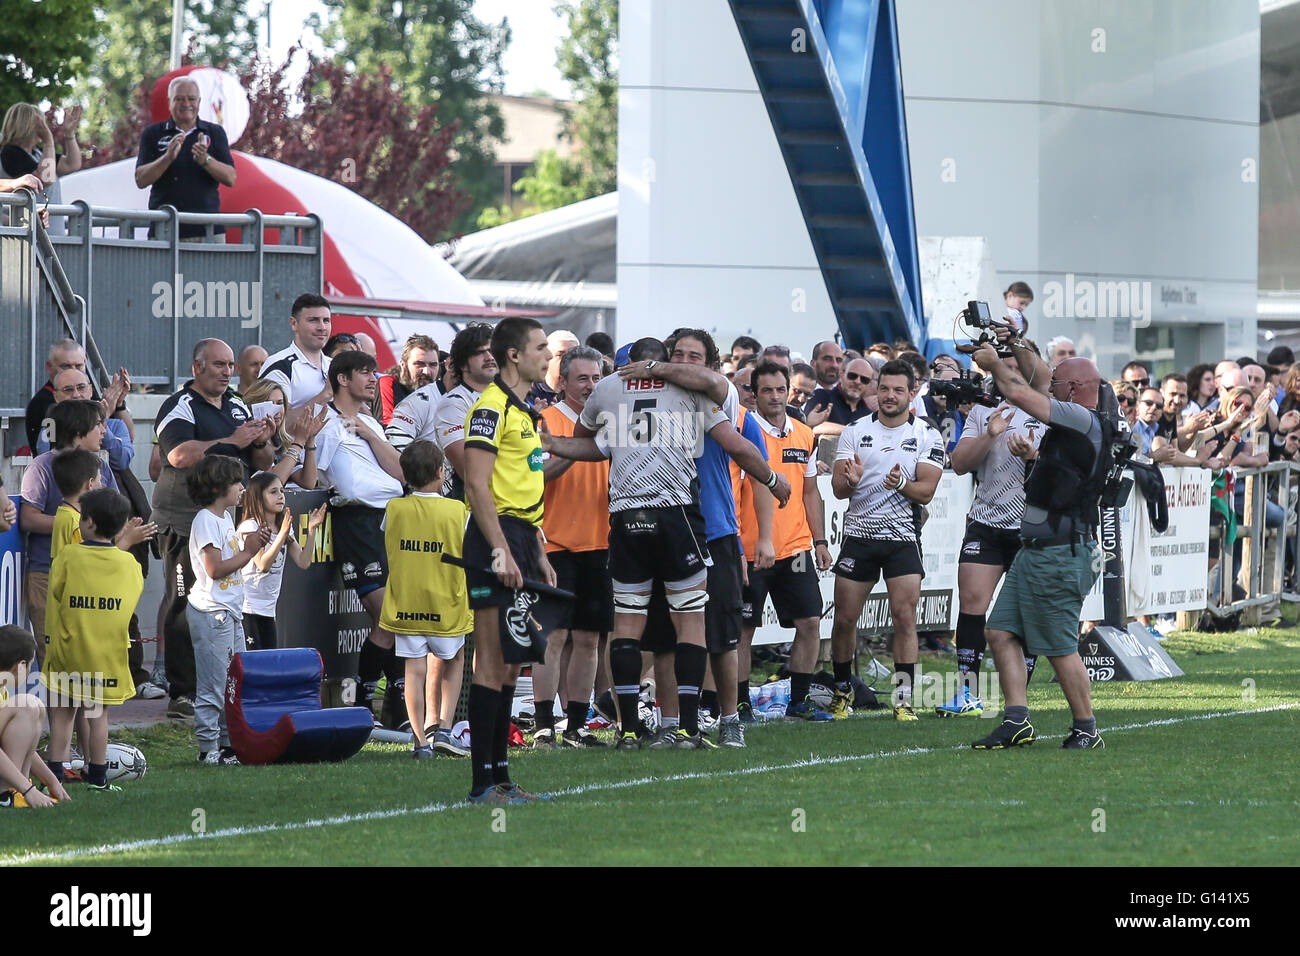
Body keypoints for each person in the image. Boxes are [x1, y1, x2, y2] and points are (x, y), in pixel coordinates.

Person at [542, 337, 791, 751]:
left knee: (627, 625)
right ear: (663, 361)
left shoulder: (608, 389)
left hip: (625, 517)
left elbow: (589, 442)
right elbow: (736, 445)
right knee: (689, 622)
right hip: (675, 514)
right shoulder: (692, 390)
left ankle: (627, 732)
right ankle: (686, 729)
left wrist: (551, 444)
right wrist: (772, 478)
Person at [968, 341, 1113, 750]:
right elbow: (1042, 379)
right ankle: (1017, 721)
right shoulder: (1080, 417)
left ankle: (1086, 728)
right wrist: (1014, 343)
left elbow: (1019, 393)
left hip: (1060, 553)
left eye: (1059, 383)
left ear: (1075, 387)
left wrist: (995, 363)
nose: (1051, 387)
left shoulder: (1081, 418)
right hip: (1036, 550)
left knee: (1059, 645)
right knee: (999, 631)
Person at [461, 317, 557, 804]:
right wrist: (500, 547)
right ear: (514, 356)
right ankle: (483, 784)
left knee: (509, 665)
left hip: (518, 535)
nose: (548, 355)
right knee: (491, 660)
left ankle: (500, 777)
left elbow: (524, 488)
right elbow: (477, 484)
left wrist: (535, 549)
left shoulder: (525, 411)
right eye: (541, 348)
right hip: (492, 536)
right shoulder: (490, 408)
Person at [152, 339, 275, 718]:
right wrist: (231, 440)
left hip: (226, 519)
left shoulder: (237, 404)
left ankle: (218, 688)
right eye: (218, 365)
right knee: (184, 601)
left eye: (229, 366)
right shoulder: (179, 406)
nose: (226, 372)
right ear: (197, 367)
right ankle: (182, 691)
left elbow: (262, 459)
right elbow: (176, 455)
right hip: (184, 520)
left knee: (221, 598)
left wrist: (264, 439)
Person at [828, 359, 946, 720]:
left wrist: (900, 485)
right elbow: (837, 489)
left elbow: (925, 492)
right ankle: (843, 689)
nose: (890, 396)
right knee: (845, 620)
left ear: (912, 394)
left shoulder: (927, 435)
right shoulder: (854, 431)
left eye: (898, 390)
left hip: (902, 539)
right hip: (859, 537)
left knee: (904, 618)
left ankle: (903, 699)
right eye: (884, 389)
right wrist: (852, 479)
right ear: (875, 391)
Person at [942, 355, 1045, 717]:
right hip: (985, 523)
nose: (1009, 376)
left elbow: (1058, 477)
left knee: (1026, 612)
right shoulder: (982, 414)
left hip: (1030, 529)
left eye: (1016, 370)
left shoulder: (1050, 414)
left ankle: (1018, 696)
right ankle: (968, 692)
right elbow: (958, 464)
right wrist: (990, 434)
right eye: (1004, 372)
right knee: (972, 602)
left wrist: (1033, 457)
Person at [315, 350, 407, 722]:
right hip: (356, 523)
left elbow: (402, 472)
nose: (373, 380)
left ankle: (387, 705)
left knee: (396, 619)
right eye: (365, 373)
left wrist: (370, 433)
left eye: (375, 373)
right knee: (390, 616)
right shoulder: (325, 422)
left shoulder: (371, 422)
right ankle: (367, 699)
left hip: (389, 520)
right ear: (342, 379)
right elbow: (312, 476)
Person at [738, 362, 833, 721]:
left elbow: (811, 492)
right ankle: (740, 703)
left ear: (789, 390)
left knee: (810, 622)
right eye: (767, 391)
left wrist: (820, 540)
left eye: (781, 390)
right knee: (743, 630)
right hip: (751, 549)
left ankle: (799, 701)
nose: (775, 397)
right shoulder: (742, 431)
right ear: (754, 394)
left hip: (795, 548)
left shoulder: (805, 434)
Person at [533, 346, 611, 749]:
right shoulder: (544, 421)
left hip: (601, 542)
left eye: (597, 378)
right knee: (553, 636)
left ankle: (578, 725)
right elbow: (537, 476)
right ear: (562, 382)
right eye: (582, 378)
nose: (591, 386)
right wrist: (578, 447)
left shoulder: (613, 422)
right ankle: (545, 723)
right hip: (555, 543)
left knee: (589, 638)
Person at [42, 488, 144, 791]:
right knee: (98, 716)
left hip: (68, 650)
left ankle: (54, 778)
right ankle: (98, 777)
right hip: (106, 654)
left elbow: (55, 597)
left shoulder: (69, 556)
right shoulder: (129, 564)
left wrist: (50, 640)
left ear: (89, 524)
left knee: (62, 716)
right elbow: (130, 600)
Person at [380, 441, 472, 759]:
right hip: (446, 602)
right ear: (439, 472)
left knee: (413, 671)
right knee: (454, 659)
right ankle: (444, 727)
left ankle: (420, 741)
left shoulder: (395, 508)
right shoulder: (457, 510)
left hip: (407, 602)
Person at [20, 400, 119, 669]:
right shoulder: (41, 467)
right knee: (56, 661)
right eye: (97, 424)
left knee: (89, 662)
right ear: (77, 432)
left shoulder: (101, 466)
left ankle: (90, 713)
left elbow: (114, 515)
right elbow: (28, 518)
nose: (104, 430)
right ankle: (60, 714)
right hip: (47, 575)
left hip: (93, 576)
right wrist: (77, 524)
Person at [185, 456, 268, 765]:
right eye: (236, 483)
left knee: (231, 682)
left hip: (228, 612)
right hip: (212, 613)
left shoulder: (224, 518)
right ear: (219, 487)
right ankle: (208, 748)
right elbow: (215, 568)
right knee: (213, 684)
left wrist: (250, 546)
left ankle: (227, 745)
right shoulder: (205, 519)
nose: (242, 488)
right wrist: (248, 552)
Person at [134, 76, 236, 239]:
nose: (186, 104)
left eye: (191, 99)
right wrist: (167, 157)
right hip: (165, 230)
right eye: (179, 99)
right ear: (169, 102)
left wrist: (206, 161)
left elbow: (231, 178)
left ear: (199, 102)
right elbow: (141, 180)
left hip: (208, 231)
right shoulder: (153, 133)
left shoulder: (215, 132)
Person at [406, 323, 497, 500]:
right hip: (473, 508)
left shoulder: (508, 399)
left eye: (492, 351)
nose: (489, 357)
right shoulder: (453, 404)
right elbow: (469, 471)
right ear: (463, 364)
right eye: (480, 352)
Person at [236, 473, 326, 650]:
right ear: (258, 497)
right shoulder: (250, 527)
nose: (281, 496)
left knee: (269, 664)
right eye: (273, 492)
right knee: (254, 665)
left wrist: (312, 530)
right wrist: (282, 535)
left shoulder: (282, 527)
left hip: (268, 611)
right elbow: (263, 564)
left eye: (282, 491)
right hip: (248, 609)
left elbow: (303, 561)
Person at [0, 626, 69, 808]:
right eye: (31, 664)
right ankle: (5, 792)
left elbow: (21, 744)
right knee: (28, 705)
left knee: (32, 706)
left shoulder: (3, 691)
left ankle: (13, 789)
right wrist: (28, 791)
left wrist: (51, 780)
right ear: (20, 665)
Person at [0, 103, 81, 236]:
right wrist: (48, 141)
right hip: (31, 242)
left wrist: (69, 134)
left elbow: (73, 164)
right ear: (27, 126)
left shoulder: (38, 154)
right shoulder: (10, 153)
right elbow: (46, 178)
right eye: (40, 124)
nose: (44, 127)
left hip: (48, 238)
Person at [239, 378, 326, 489]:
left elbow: (308, 482)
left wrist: (310, 439)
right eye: (270, 404)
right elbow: (272, 484)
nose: (277, 410)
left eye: (280, 403)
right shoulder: (249, 440)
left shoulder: (279, 440)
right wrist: (299, 441)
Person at [260, 293, 334, 410]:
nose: (322, 327)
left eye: (326, 320)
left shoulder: (335, 365)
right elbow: (277, 424)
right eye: (313, 320)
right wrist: (326, 394)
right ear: (294, 324)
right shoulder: (280, 366)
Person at [25, 339, 92, 452]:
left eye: (79, 366)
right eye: (66, 366)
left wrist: (119, 406)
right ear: (50, 367)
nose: (73, 372)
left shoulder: (88, 394)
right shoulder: (41, 403)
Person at [375, 334, 439, 425]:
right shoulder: (389, 384)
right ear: (403, 365)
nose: (427, 371)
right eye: (419, 364)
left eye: (433, 365)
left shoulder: (439, 394)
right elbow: (389, 428)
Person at [804, 357, 875, 438]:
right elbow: (814, 426)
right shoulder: (821, 395)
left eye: (864, 380)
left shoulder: (869, 415)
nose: (857, 382)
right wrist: (854, 431)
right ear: (841, 375)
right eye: (852, 376)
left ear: (870, 384)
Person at [528, 330, 579, 408]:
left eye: (573, 355)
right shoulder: (529, 393)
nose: (567, 360)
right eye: (560, 355)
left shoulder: (584, 391)